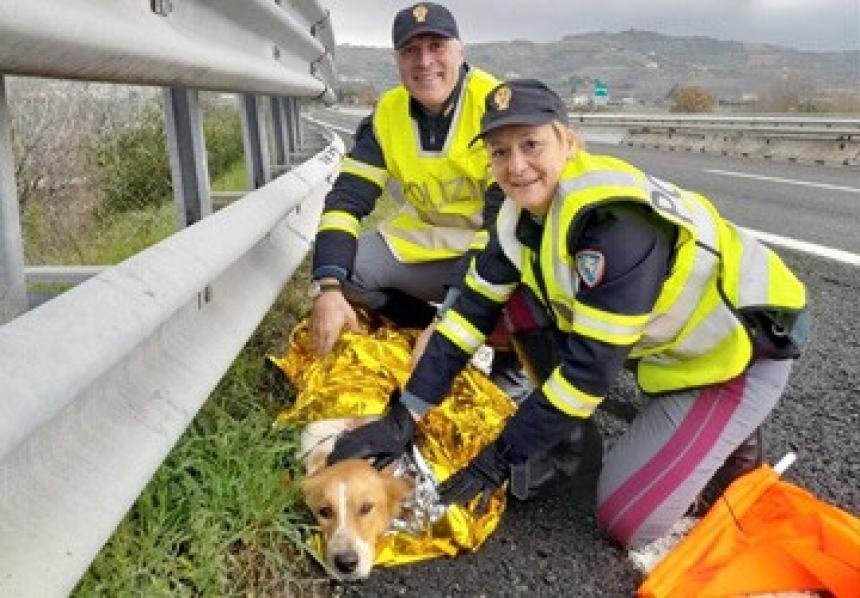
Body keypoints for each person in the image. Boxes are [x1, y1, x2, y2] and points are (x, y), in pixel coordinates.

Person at [327, 79, 810, 549]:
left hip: (735, 358)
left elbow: (586, 375)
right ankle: (577, 435)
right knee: (511, 301)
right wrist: (404, 415)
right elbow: (467, 314)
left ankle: (732, 435)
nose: (515, 166)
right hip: (660, 349)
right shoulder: (517, 218)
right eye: (499, 152)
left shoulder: (612, 224)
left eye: (530, 145)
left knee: (625, 521)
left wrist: (497, 458)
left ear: (568, 142)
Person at [309, 2, 504, 365]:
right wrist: (329, 288)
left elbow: (503, 225)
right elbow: (346, 201)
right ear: (397, 61)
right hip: (424, 243)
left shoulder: (495, 107)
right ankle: (425, 329)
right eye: (410, 50)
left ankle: (512, 364)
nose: (424, 61)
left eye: (436, 46)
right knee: (345, 266)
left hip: (492, 249)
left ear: (460, 50)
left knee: (535, 276)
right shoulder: (387, 113)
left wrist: (453, 312)